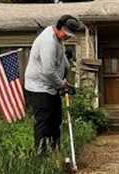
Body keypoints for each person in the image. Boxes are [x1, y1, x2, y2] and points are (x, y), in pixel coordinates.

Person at [24, 15, 82, 155]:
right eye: (67, 34)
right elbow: (48, 71)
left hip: (51, 86)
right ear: (59, 27)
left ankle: (55, 152)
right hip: (39, 88)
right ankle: (41, 156)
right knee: (44, 122)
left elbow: (61, 60)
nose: (68, 37)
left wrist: (65, 79)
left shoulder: (58, 39)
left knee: (56, 120)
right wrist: (62, 85)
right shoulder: (48, 41)